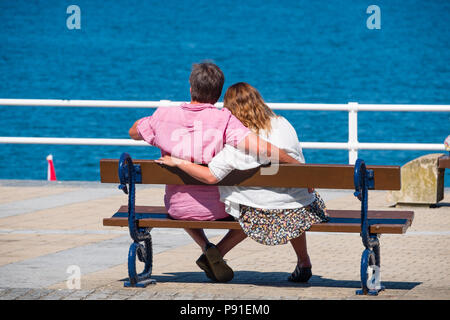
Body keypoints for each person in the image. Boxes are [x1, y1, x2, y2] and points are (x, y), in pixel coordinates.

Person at [129, 63, 301, 282]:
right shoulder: (225, 119)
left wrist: (158, 125)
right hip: (219, 208)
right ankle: (214, 251)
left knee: (184, 201)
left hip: (177, 208)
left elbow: (134, 131)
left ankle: (206, 246)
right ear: (219, 93)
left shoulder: (164, 116)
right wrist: (299, 168)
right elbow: (264, 149)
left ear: (191, 88)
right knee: (251, 209)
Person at [157, 82, 329, 283]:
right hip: (298, 208)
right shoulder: (283, 123)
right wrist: (306, 177)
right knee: (288, 200)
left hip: (256, 211)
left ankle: (216, 253)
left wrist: (180, 161)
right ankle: (303, 261)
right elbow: (297, 156)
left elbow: (212, 174)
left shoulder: (237, 140)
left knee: (250, 207)